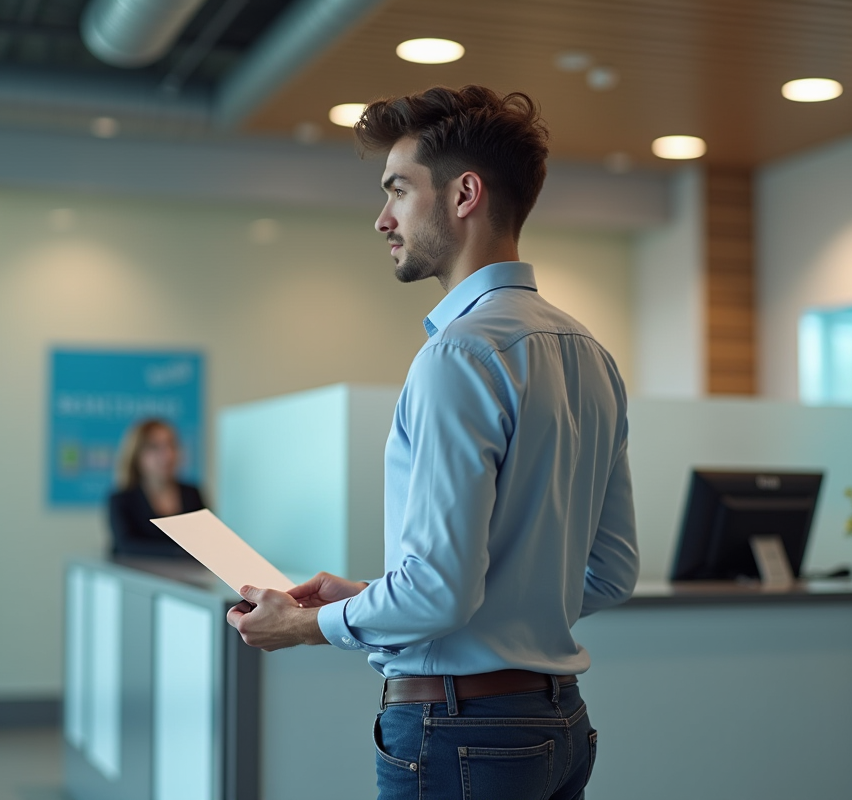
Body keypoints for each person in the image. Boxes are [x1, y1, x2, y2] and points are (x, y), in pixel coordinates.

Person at [227, 85, 638, 800]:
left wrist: (310, 623)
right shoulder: (590, 353)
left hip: (461, 731)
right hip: (559, 725)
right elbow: (610, 573)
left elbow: (441, 592)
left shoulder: (461, 355)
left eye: (398, 191)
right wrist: (375, 596)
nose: (383, 219)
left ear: (464, 194)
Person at [107, 418, 208, 559]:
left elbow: (208, 540)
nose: (167, 455)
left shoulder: (191, 493)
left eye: (171, 445)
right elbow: (126, 546)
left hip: (188, 577)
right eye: (154, 447)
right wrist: (181, 552)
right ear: (136, 454)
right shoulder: (122, 499)